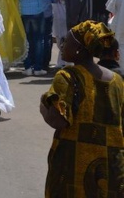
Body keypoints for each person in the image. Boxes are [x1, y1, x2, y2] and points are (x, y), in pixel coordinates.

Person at [40, 20, 124, 197]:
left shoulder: (68, 76)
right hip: (111, 167)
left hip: (73, 166)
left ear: (80, 48)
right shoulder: (117, 81)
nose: (62, 45)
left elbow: (58, 120)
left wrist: (44, 105)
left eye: (67, 41)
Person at [13, 0, 55, 76]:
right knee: (39, 40)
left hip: (23, 12)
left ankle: (27, 67)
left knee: (26, 40)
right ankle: (37, 68)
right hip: (37, 12)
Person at [37, 0, 59, 71]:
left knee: (34, 38)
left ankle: (35, 62)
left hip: (31, 13)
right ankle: (45, 62)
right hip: (46, 13)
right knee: (46, 38)